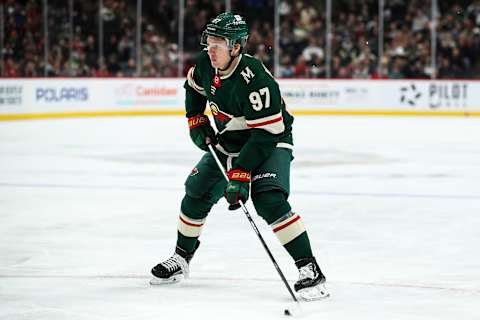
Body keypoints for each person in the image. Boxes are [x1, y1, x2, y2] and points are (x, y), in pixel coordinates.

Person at [150, 12, 329, 301]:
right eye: (209, 43)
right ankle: (181, 259)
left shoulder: (255, 79)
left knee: (269, 199)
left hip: (270, 141)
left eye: (219, 44)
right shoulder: (205, 65)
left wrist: (242, 171)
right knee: (195, 191)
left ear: (236, 47)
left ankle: (309, 269)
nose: (211, 50)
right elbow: (193, 89)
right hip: (229, 141)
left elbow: (267, 134)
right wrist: (196, 120)